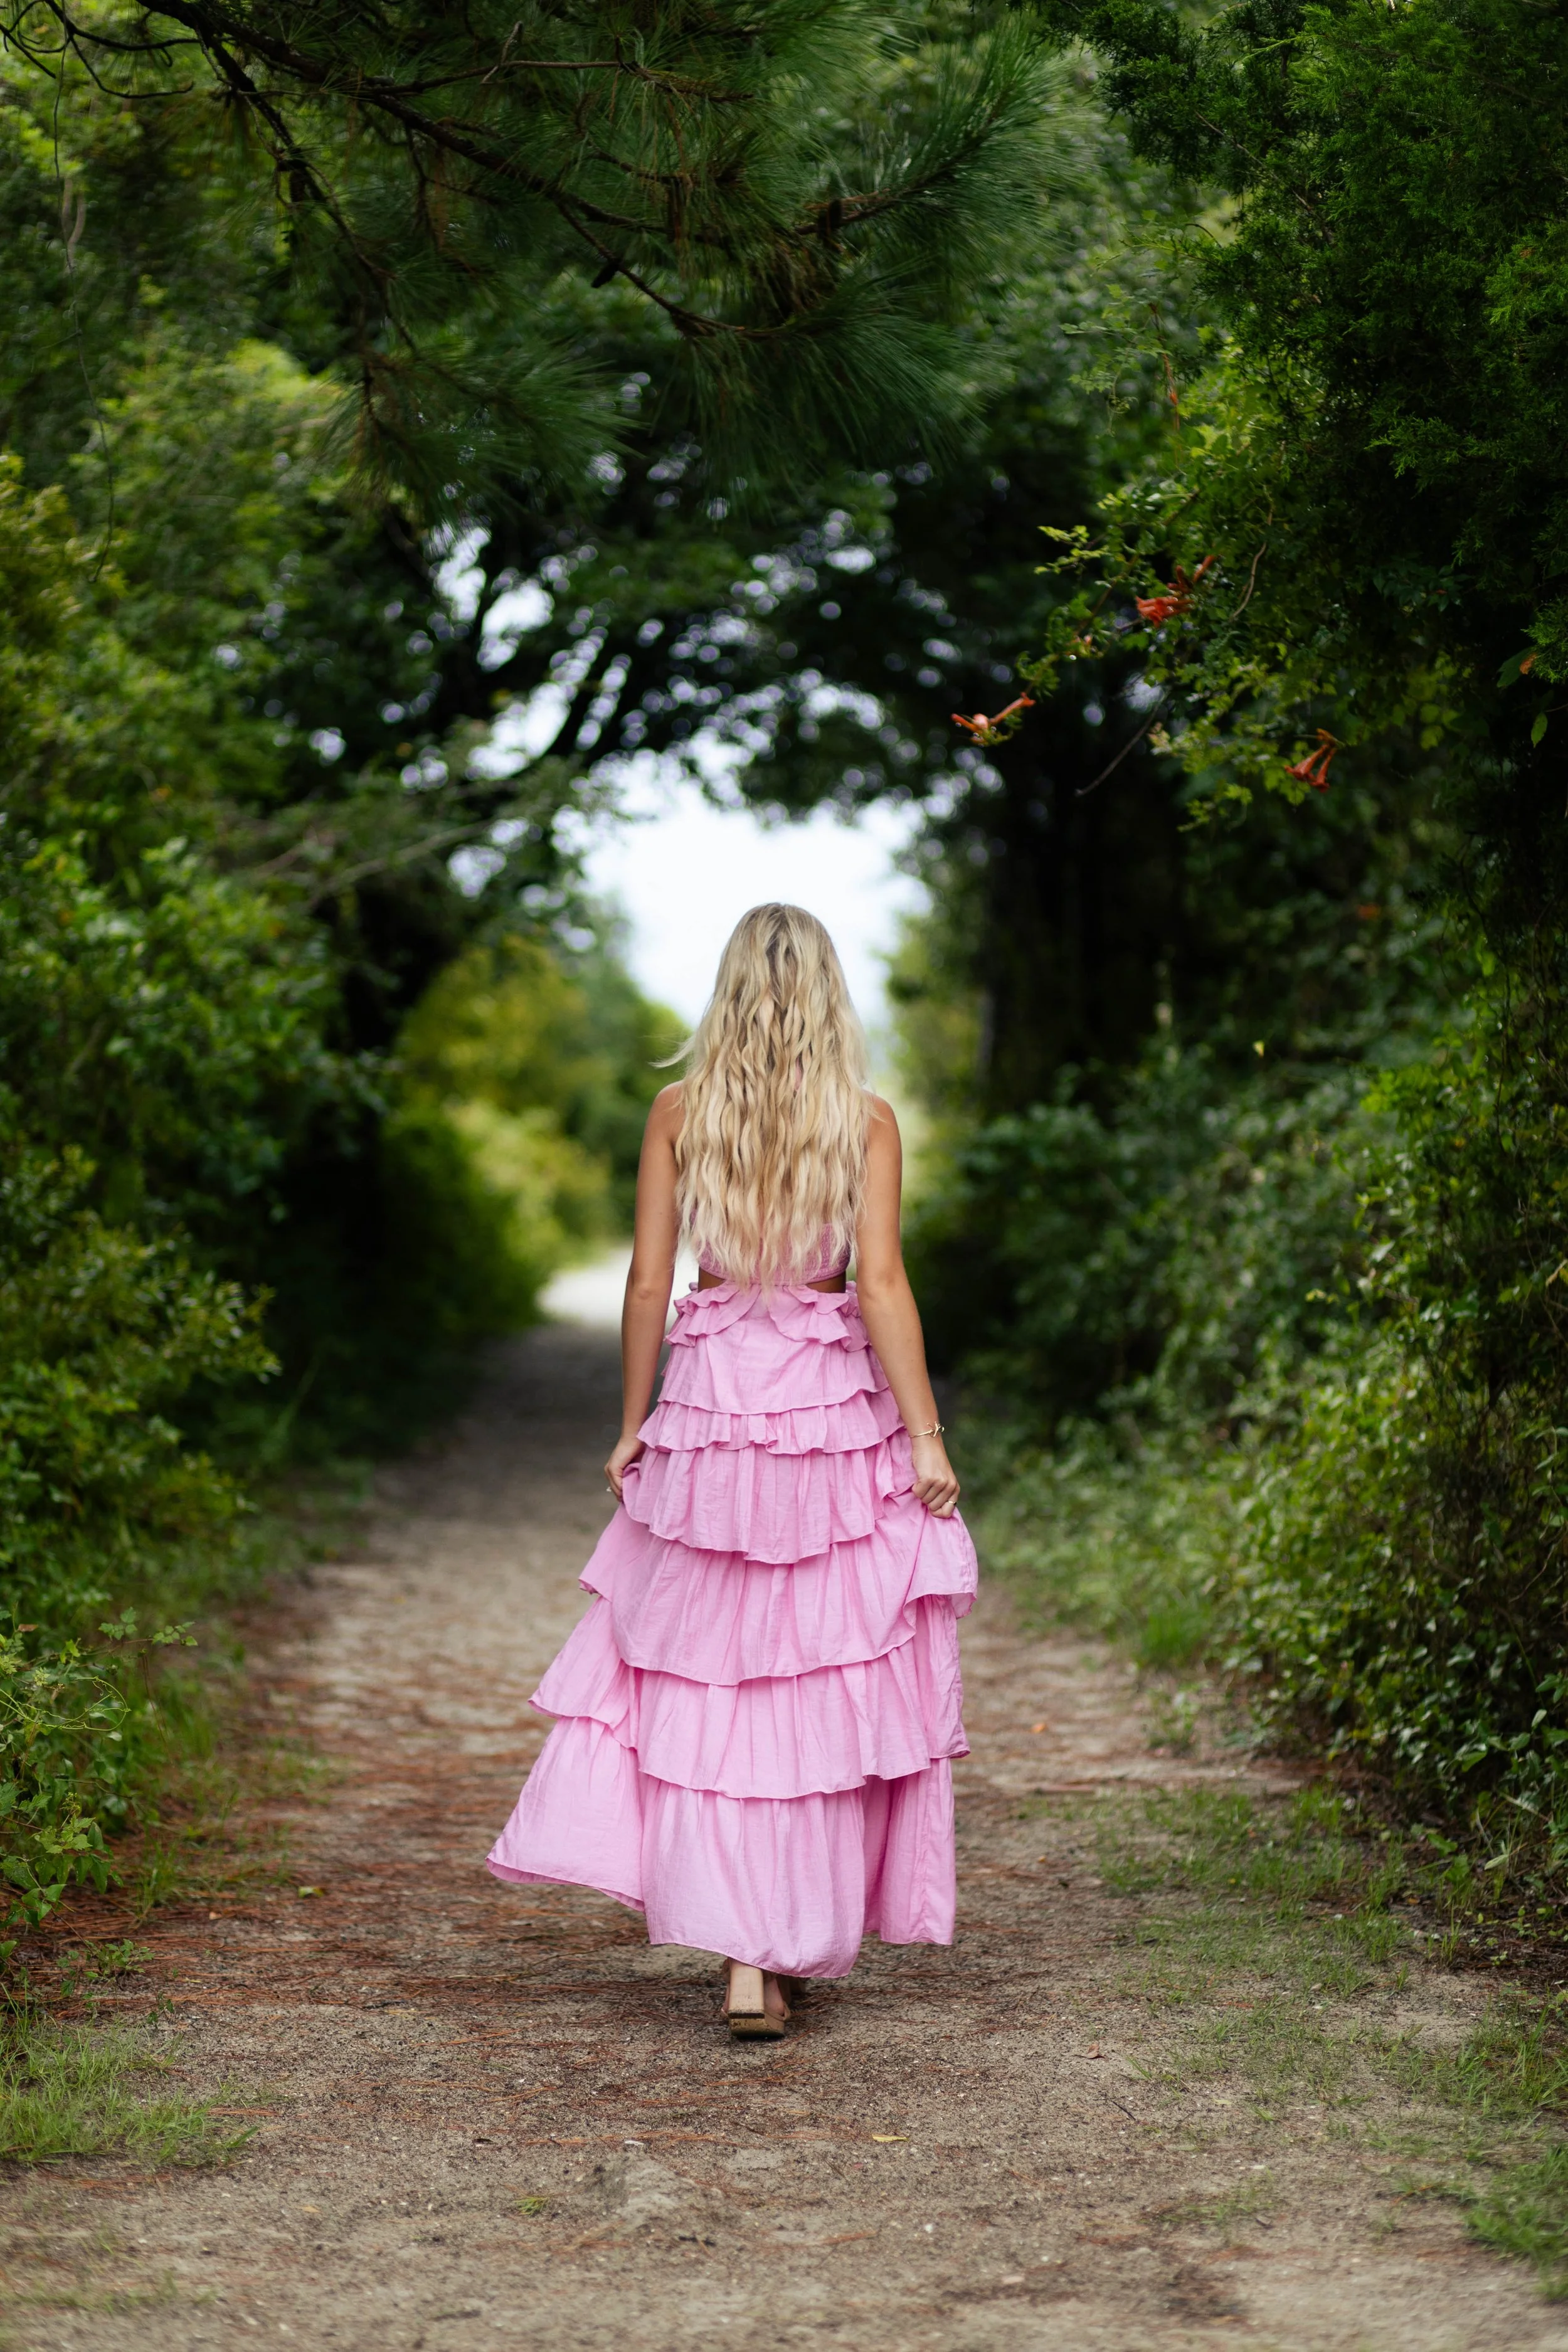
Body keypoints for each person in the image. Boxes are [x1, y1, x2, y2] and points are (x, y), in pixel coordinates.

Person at [486, 903, 977, 2037]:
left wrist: (633, 1422)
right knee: (812, 1676)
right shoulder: (865, 1120)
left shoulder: (678, 1112)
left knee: (710, 1675)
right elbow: (882, 1285)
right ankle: (777, 1939)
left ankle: (743, 1953)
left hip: (709, 1411)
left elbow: (650, 1281)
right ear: (828, 995)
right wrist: (925, 1435)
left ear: (728, 992)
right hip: (827, 1414)